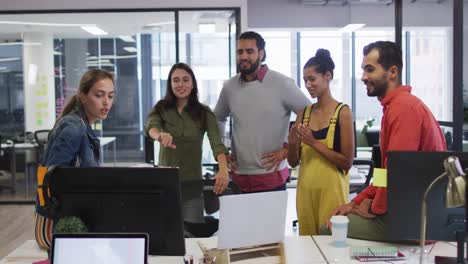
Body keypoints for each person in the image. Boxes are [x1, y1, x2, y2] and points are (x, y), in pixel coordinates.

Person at [322, 41, 446, 241]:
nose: (363, 77)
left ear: (392, 72)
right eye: (363, 70)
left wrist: (373, 207)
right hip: (407, 211)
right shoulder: (395, 107)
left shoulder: (403, 109)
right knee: (341, 217)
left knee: (330, 228)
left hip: (414, 220)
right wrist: (356, 202)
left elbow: (397, 173)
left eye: (370, 69)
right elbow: (384, 173)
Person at [214, 31, 310, 193]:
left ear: (261, 53)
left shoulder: (283, 83)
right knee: (241, 220)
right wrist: (222, 150)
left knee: (271, 220)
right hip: (238, 178)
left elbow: (309, 114)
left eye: (249, 51)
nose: (244, 56)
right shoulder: (229, 87)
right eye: (240, 52)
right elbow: (218, 118)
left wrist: (288, 149)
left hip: (272, 177)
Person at [35, 69, 115, 250]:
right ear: (83, 96)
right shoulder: (73, 127)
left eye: (110, 96)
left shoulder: (81, 124)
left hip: (68, 219)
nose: (106, 102)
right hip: (55, 226)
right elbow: (50, 179)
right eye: (99, 95)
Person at [145, 63, 229, 225]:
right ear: (170, 84)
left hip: (192, 189)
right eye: (176, 80)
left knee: (193, 233)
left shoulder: (204, 112)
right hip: (166, 187)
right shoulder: (161, 108)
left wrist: (223, 170)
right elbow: (151, 127)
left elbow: (217, 144)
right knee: (166, 235)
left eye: (185, 80)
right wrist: (160, 136)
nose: (180, 84)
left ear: (192, 83)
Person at [287, 49, 354, 235]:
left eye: (312, 79)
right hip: (305, 191)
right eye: (305, 80)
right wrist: (292, 142)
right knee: (307, 245)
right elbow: (293, 162)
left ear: (327, 76)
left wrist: (313, 142)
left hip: (332, 193)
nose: (308, 85)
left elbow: (347, 162)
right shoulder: (303, 114)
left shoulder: (343, 113)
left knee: (331, 243)